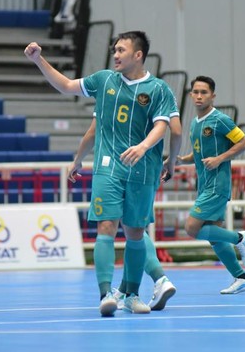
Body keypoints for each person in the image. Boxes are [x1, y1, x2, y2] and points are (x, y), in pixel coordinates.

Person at [25, 31, 180, 316]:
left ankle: (131, 295)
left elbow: (164, 127)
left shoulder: (157, 89)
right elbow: (67, 85)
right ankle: (106, 294)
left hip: (141, 169)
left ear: (138, 55)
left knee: (135, 233)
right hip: (108, 167)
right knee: (106, 226)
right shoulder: (104, 80)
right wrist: (39, 60)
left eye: (122, 50)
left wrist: (144, 147)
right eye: (114, 50)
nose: (116, 55)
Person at [68, 115, 181, 312]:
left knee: (126, 229)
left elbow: (92, 129)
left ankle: (144, 284)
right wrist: (170, 160)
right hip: (147, 168)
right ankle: (130, 290)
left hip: (116, 164)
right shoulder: (160, 91)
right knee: (135, 230)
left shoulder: (111, 88)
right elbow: (176, 131)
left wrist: (77, 160)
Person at [173, 75, 245, 294]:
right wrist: (182, 159)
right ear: (191, 95)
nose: (199, 96)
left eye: (204, 92)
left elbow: (244, 142)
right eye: (196, 92)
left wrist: (220, 159)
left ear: (213, 96)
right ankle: (241, 278)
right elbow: (199, 152)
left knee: (192, 228)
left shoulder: (220, 120)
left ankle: (240, 238)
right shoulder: (194, 123)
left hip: (217, 185)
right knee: (215, 238)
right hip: (205, 185)